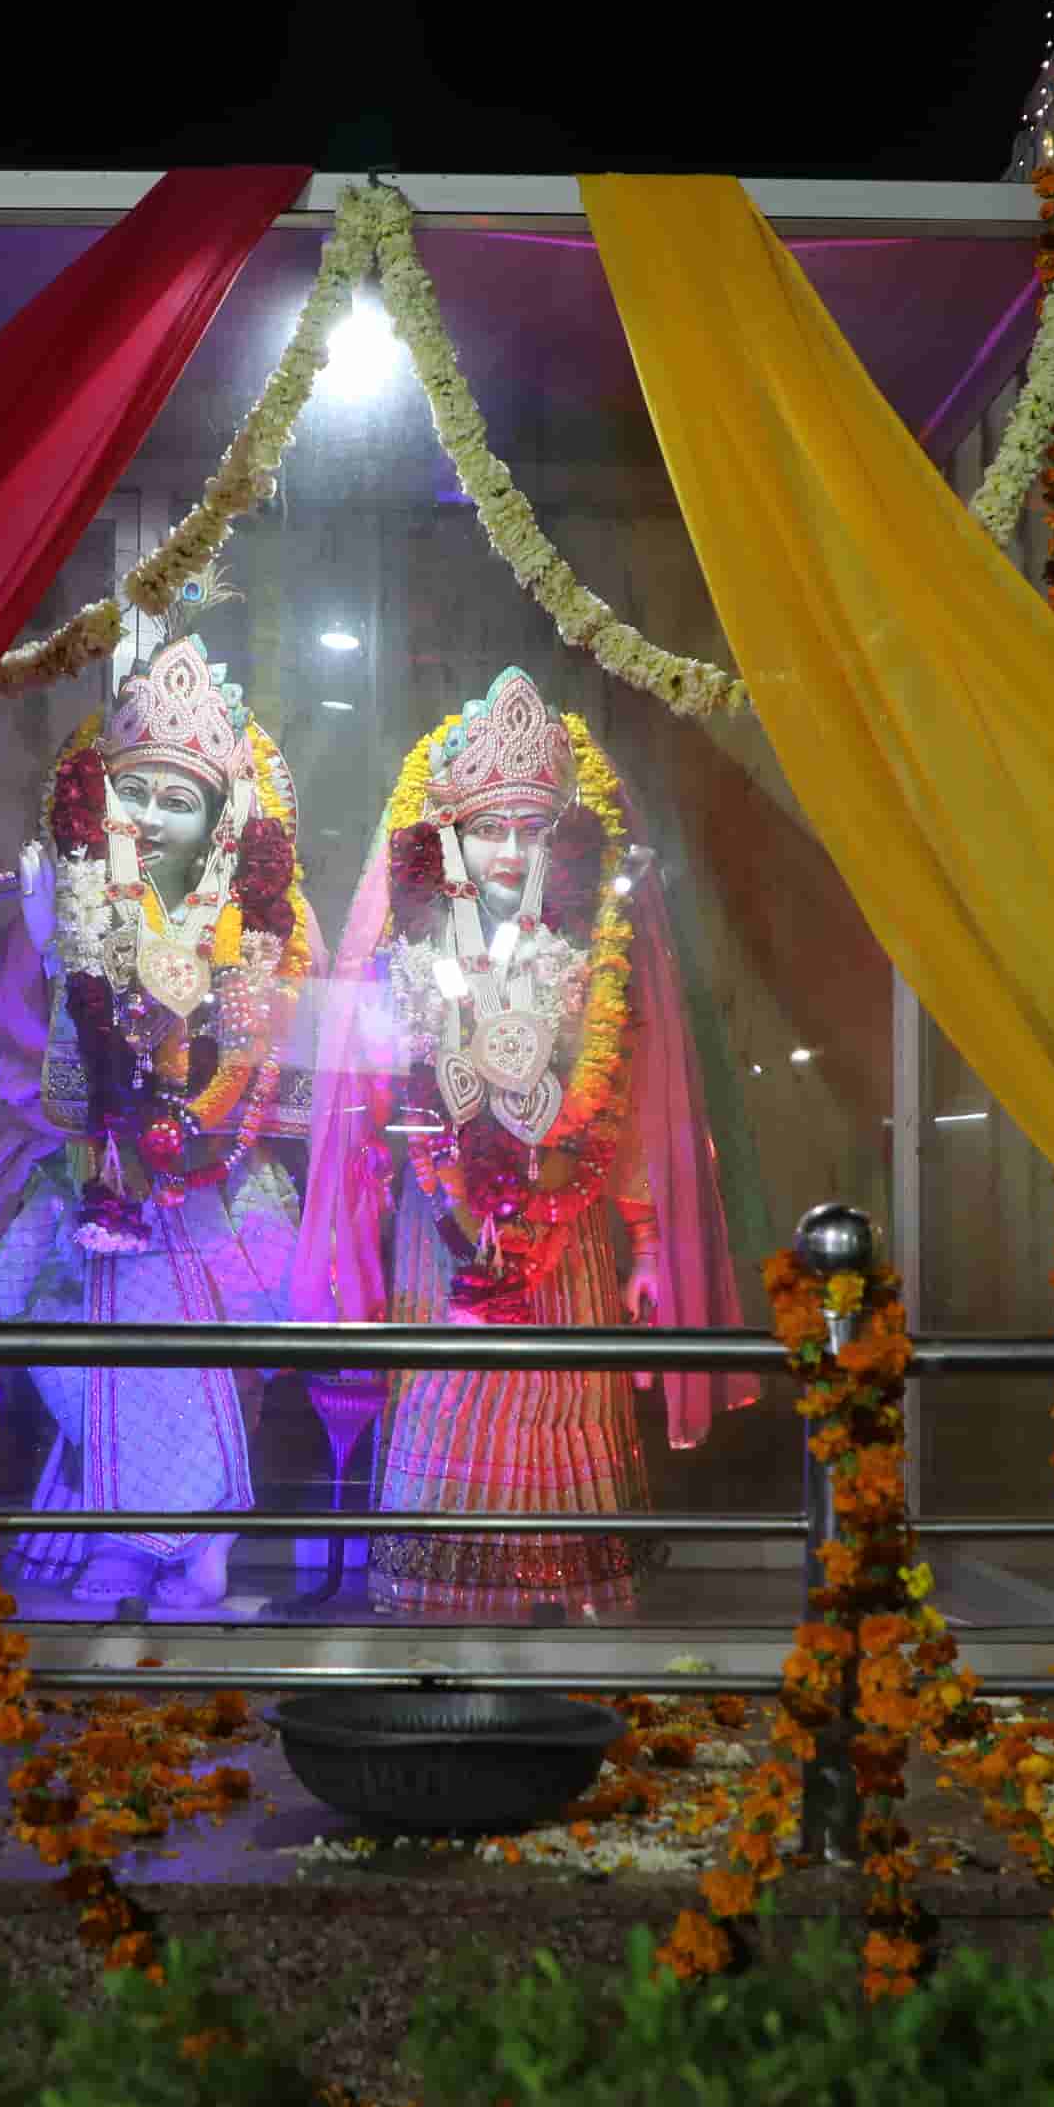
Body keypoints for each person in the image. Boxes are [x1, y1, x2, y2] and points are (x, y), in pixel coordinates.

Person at [288, 667, 753, 1622]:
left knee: (561, 1393)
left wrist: (653, 1242)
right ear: (448, 837)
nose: (506, 851)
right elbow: (369, 1100)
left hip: (568, 1216)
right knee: (448, 1392)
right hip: (442, 1228)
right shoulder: (407, 950)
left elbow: (626, 1107)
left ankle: (565, 1594)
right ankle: (442, 1602)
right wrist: (362, 1228)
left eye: (528, 830)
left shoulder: (595, 952)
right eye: (487, 828)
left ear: (559, 842)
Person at [0, 638, 318, 1611]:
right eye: (135, 796)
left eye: (181, 801)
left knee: (200, 1354)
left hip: (207, 1181)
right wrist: (2, 955)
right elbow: (41, 1083)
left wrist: (184, 1142)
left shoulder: (259, 923)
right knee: (83, 1348)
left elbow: (259, 1076)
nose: (152, 820)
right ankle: (133, 1539)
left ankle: (202, 1542)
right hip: (83, 1179)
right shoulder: (65, 904)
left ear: (225, 820)